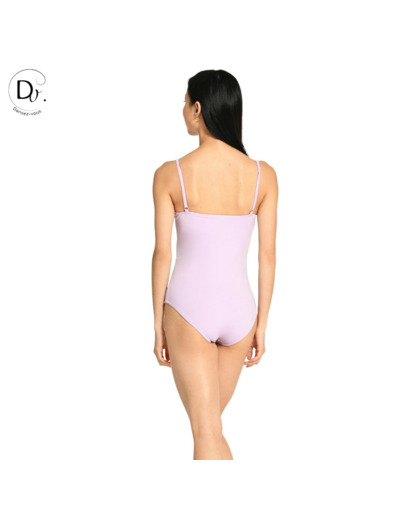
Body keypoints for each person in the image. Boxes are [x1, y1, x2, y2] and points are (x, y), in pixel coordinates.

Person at [152, 69, 278, 460]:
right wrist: (261, 324)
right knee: (212, 431)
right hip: (242, 313)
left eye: (184, 102)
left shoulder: (170, 174)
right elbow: (267, 255)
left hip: (188, 310)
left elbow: (162, 253)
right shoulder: (263, 175)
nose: (182, 110)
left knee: (206, 432)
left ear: (198, 109)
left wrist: (157, 323)